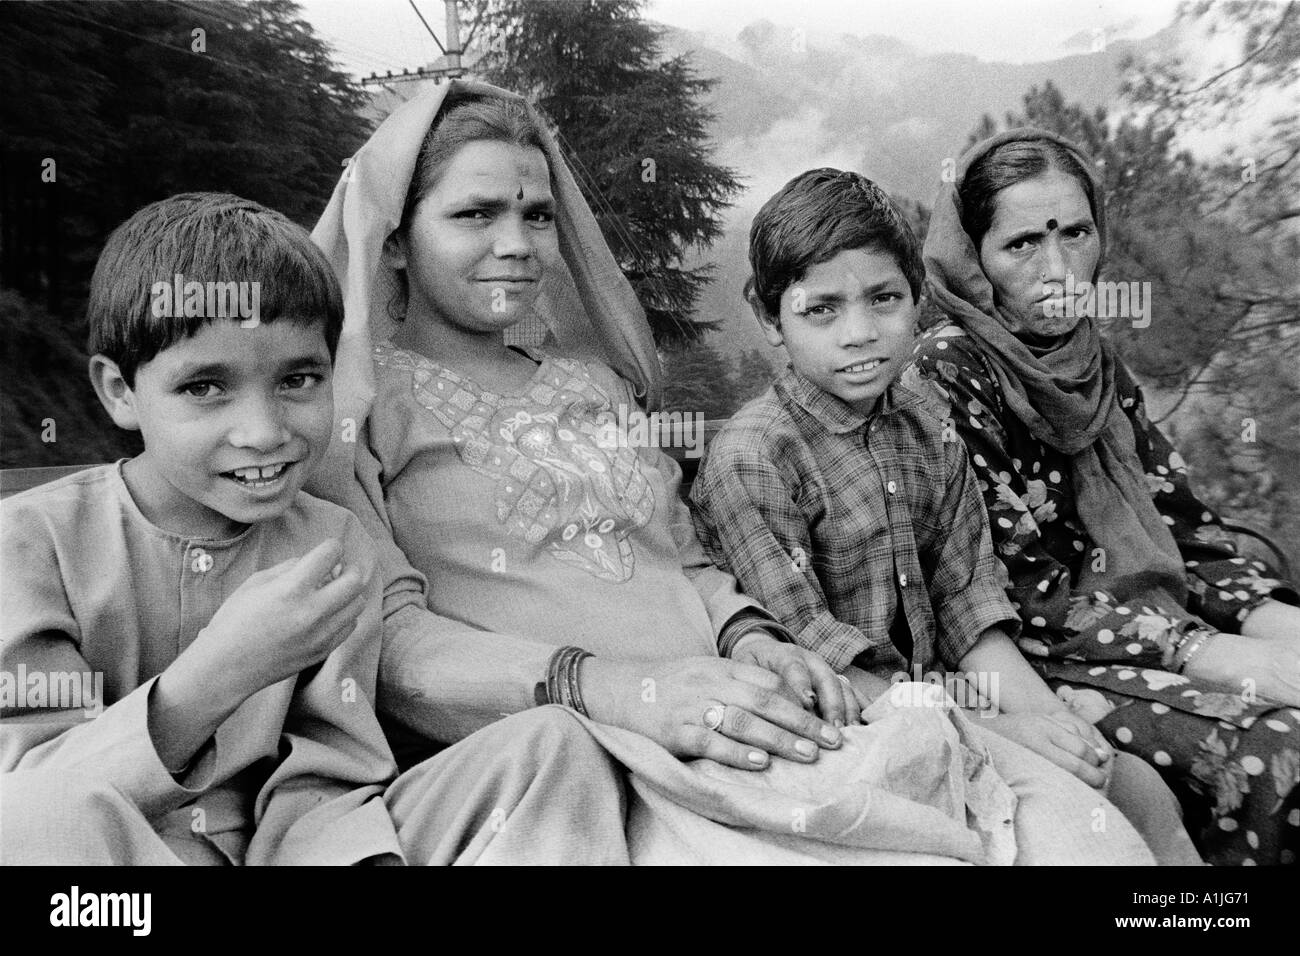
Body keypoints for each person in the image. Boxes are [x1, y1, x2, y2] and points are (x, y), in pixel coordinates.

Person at [304, 80, 1161, 864]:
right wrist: (614, 689)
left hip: (747, 705)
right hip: (582, 746)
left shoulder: (593, 384)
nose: (518, 245)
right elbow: (394, 651)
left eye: (535, 216)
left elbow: (690, 563)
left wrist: (752, 639)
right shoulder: (356, 411)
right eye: (475, 215)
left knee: (1086, 835)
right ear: (394, 243)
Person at [0, 192, 632, 866]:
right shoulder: (31, 543)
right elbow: (35, 802)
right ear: (120, 391)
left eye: (298, 379)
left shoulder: (330, 544)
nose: (265, 431)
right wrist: (220, 672)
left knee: (550, 745)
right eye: (206, 388)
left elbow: (324, 780)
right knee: (46, 813)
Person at [690, 167, 1200, 865]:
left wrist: (1039, 715)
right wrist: (1003, 731)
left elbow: (967, 596)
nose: (861, 334)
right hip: (846, 729)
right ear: (768, 316)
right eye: (823, 310)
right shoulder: (755, 458)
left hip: (944, 696)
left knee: (1133, 785)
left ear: (918, 296)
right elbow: (817, 653)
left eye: (883, 299)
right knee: (1071, 837)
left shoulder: (927, 420)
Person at [908, 127, 1300, 865]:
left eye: (1076, 233)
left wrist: (1266, 618)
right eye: (1022, 243)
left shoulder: (1094, 360)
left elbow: (1184, 527)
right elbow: (1018, 594)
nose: (1058, 268)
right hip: (1035, 663)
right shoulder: (947, 374)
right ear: (974, 260)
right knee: (1279, 754)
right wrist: (1207, 651)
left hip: (1152, 629)